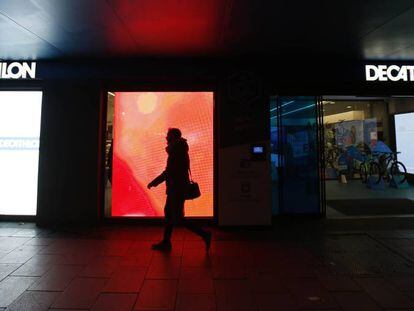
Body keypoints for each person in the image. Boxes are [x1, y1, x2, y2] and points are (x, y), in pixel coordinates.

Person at [147, 128, 211, 251]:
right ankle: (166, 242)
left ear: (173, 137)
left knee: (177, 218)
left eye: (168, 136)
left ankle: (204, 234)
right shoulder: (179, 149)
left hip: (176, 189)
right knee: (170, 214)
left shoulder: (176, 151)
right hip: (176, 188)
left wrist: (154, 182)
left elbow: (169, 172)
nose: (166, 138)